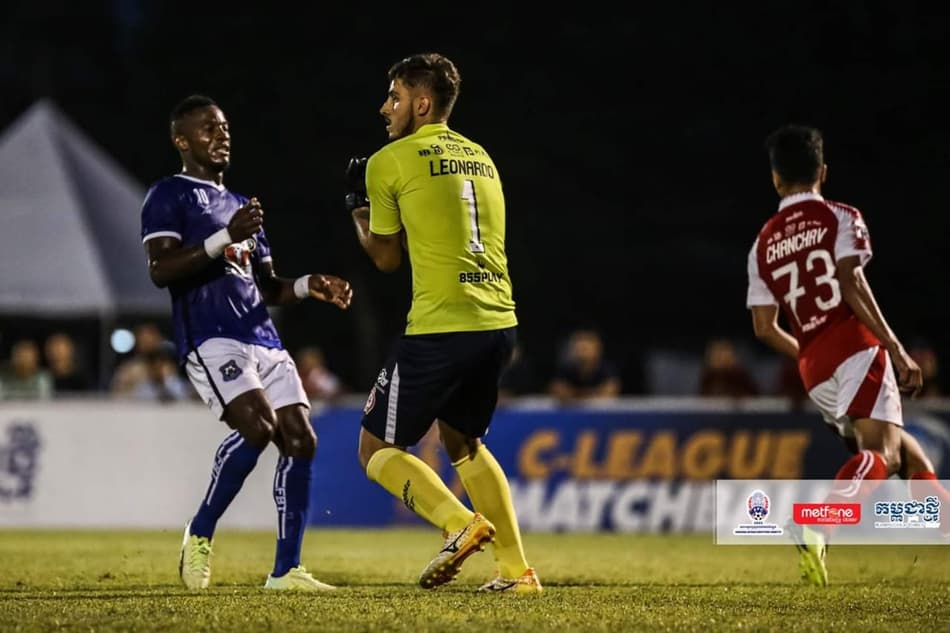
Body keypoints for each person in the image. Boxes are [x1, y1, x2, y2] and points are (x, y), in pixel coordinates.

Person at [346, 53, 541, 594]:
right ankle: (516, 572)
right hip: (498, 322)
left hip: (441, 326)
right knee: (464, 443)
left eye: (395, 96)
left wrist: (358, 209)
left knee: (374, 449)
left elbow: (386, 257)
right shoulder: (481, 156)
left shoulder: (389, 160)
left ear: (422, 103)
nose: (385, 107)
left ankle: (458, 524)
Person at [141, 94, 353, 591]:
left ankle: (286, 571)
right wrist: (224, 237)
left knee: (300, 439)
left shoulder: (242, 205)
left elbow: (268, 287)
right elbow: (161, 270)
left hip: (263, 337)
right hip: (211, 335)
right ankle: (200, 530)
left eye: (225, 128)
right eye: (208, 128)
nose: (221, 136)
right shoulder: (168, 194)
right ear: (181, 140)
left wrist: (310, 285)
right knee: (258, 428)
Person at [746, 124, 949, 586]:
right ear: (823, 171)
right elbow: (851, 280)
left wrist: (809, 351)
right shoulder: (839, 216)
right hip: (854, 347)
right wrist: (896, 348)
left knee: (911, 459)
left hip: (814, 369)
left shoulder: (762, 244)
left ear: (776, 179)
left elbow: (763, 327)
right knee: (885, 453)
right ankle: (817, 522)